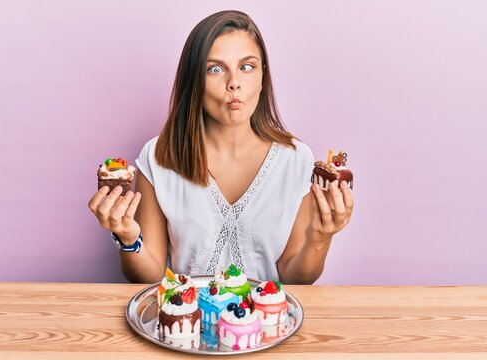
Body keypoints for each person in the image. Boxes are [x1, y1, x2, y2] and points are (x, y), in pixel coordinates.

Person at [88, 10, 354, 284]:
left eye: (247, 66)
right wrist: (128, 237)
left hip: (266, 322)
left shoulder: (297, 160)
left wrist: (320, 239)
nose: (234, 83)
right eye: (215, 69)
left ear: (263, 77)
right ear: (194, 82)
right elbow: (149, 276)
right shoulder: (158, 158)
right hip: (187, 320)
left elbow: (295, 278)